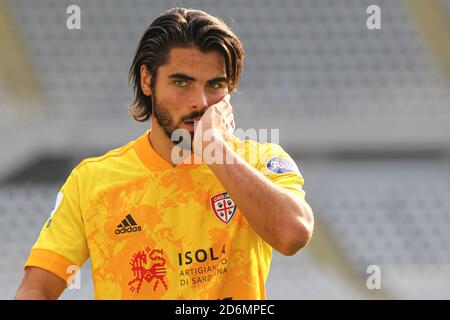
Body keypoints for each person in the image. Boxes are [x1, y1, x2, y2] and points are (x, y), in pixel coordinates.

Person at [15, 7, 314, 300]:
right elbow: (38, 288)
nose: (199, 101)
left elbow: (292, 234)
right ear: (147, 80)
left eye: (215, 85)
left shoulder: (259, 162)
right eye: (181, 82)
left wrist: (216, 150)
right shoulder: (92, 181)